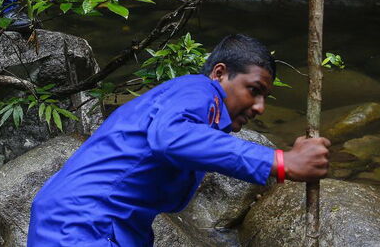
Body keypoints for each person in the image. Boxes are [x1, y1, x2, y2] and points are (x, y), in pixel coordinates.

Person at [27, 34, 331, 246]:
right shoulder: (197, 91)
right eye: (254, 90)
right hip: (81, 224)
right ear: (219, 73)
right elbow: (171, 139)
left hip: (92, 224)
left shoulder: (201, 116)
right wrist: (280, 162)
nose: (260, 107)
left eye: (265, 97)